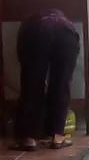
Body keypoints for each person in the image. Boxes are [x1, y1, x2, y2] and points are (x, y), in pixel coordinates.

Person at [13, 9, 80, 151]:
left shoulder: (28, 25)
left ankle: (28, 138)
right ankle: (57, 137)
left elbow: (25, 63)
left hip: (35, 33)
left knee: (32, 83)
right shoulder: (63, 21)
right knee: (61, 84)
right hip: (67, 34)